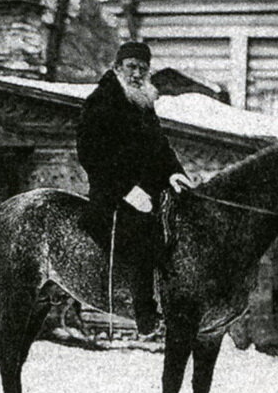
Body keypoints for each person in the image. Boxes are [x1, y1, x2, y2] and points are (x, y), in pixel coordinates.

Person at [76, 40, 193, 335]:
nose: (137, 73)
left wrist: (175, 174)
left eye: (142, 68)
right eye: (131, 67)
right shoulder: (101, 101)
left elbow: (160, 146)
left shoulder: (142, 100)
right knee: (141, 235)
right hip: (111, 195)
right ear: (117, 68)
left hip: (148, 190)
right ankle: (145, 313)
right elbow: (91, 154)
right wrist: (126, 190)